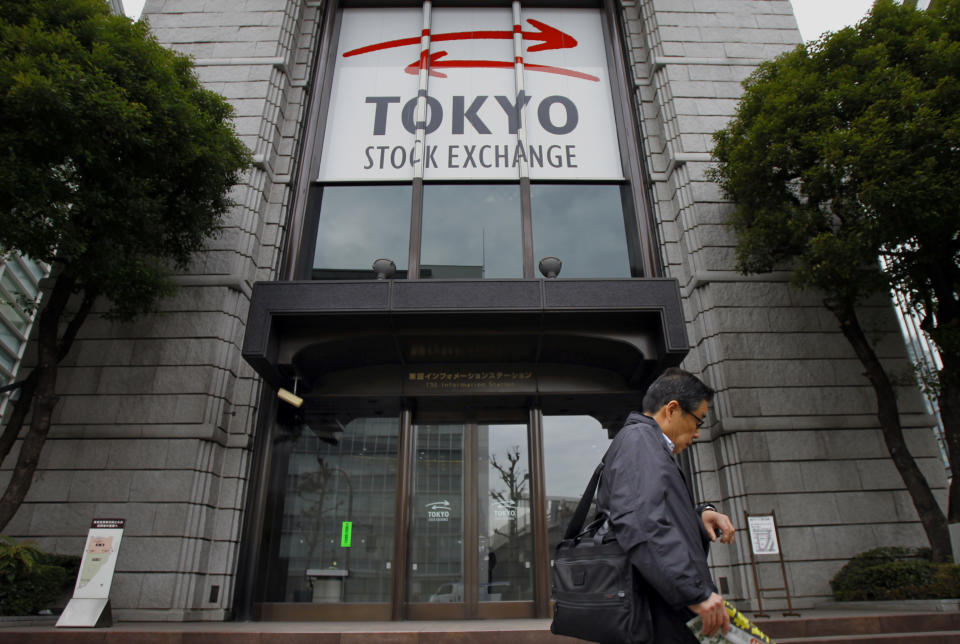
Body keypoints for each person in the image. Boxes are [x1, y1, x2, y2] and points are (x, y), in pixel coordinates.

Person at [597, 367, 737, 642]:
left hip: (661, 612)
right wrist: (693, 592)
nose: (697, 434)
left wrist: (701, 515)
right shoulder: (640, 441)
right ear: (672, 410)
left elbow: (653, 514)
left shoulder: (647, 444)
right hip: (657, 618)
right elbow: (641, 521)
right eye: (698, 421)